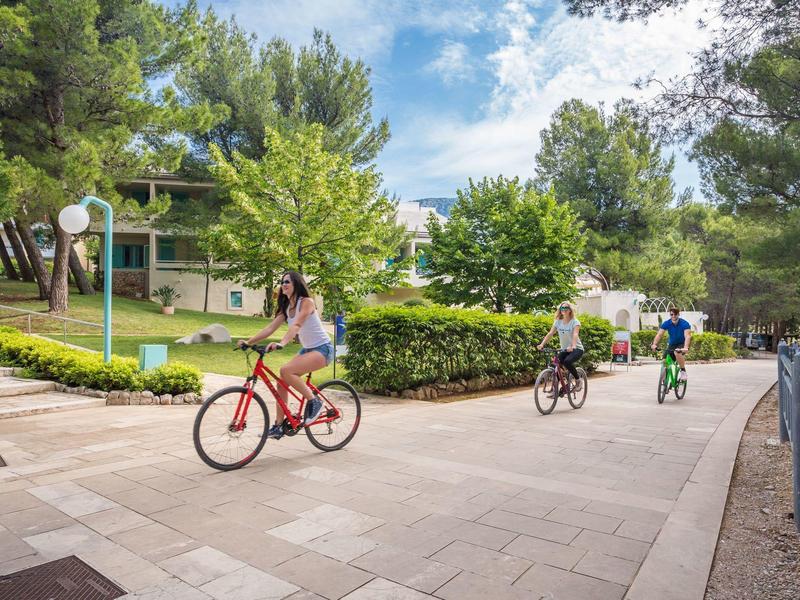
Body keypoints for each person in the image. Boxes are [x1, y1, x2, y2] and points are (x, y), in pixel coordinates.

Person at [237, 271, 334, 439]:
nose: (284, 284)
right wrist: (248, 342)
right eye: (282, 282)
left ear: (296, 283)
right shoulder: (286, 308)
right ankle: (279, 426)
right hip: (308, 350)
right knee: (281, 382)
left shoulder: (307, 302)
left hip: (323, 349)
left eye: (287, 281)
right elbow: (269, 329)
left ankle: (314, 401)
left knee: (286, 370)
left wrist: (282, 343)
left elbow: (296, 325)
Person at [537, 301, 584, 392]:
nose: (564, 310)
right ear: (560, 310)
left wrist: (573, 346)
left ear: (570, 310)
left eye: (566, 308)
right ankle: (555, 390)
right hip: (565, 349)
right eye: (562, 308)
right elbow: (550, 333)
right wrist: (542, 344)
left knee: (567, 361)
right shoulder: (558, 322)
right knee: (556, 365)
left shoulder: (575, 322)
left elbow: (575, 334)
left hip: (576, 349)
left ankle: (578, 380)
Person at [651, 306, 691, 380]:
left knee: (677, 352)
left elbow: (687, 336)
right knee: (664, 360)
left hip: (682, 343)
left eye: (675, 314)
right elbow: (659, 334)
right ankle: (665, 383)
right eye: (671, 314)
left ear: (678, 314)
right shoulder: (667, 323)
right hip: (672, 344)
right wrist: (654, 344)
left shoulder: (684, 323)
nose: (673, 316)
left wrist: (685, 347)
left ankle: (683, 371)